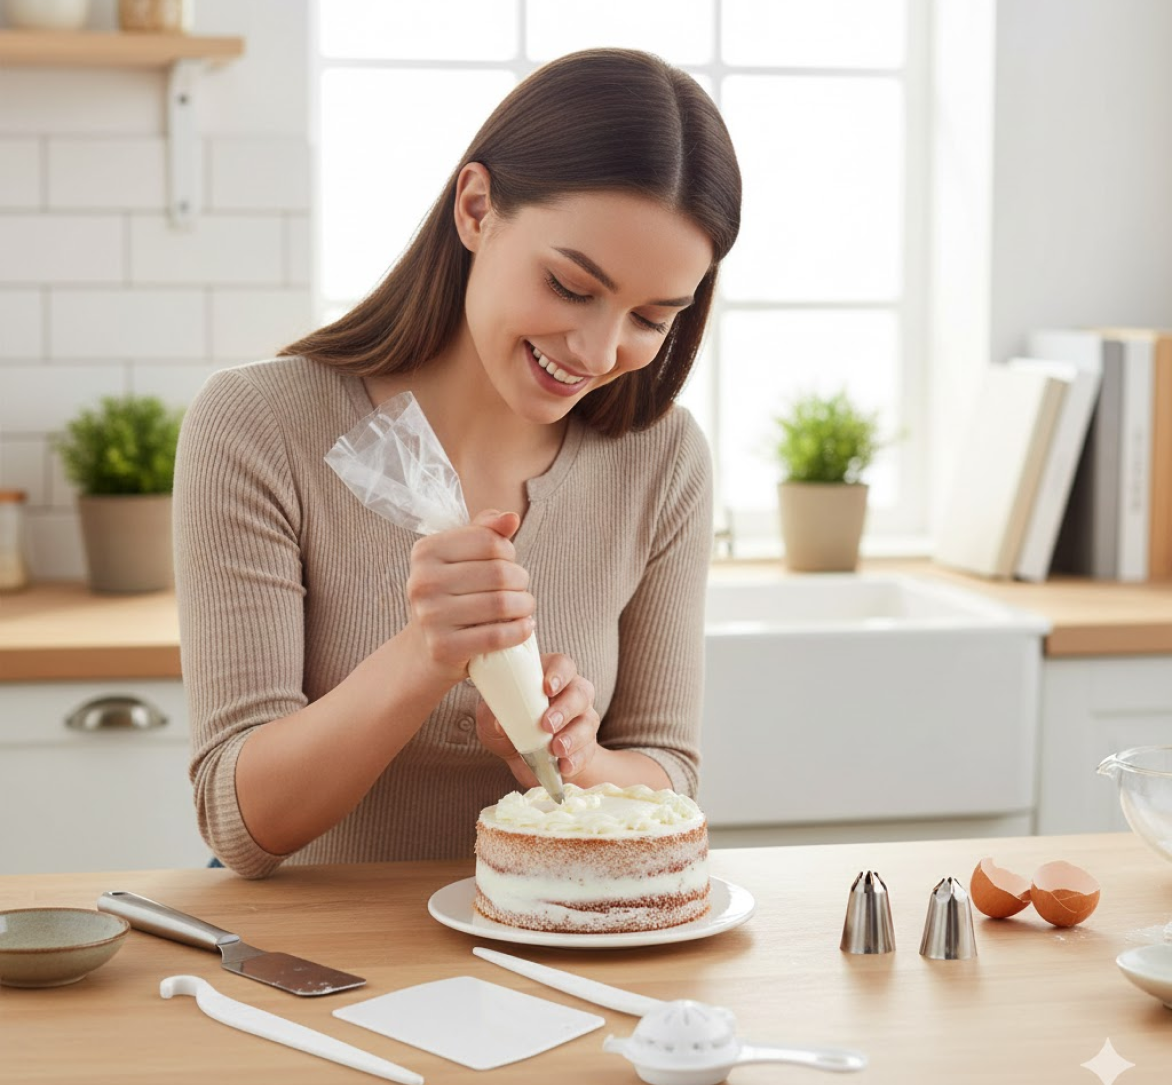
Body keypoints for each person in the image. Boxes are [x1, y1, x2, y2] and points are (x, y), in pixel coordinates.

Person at [173, 47, 742, 878]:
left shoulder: (661, 459)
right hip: (321, 973)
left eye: (651, 317)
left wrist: (574, 759)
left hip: (569, 958)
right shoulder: (260, 428)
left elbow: (669, 771)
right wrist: (426, 654)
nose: (597, 349)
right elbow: (239, 822)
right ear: (476, 209)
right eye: (571, 286)